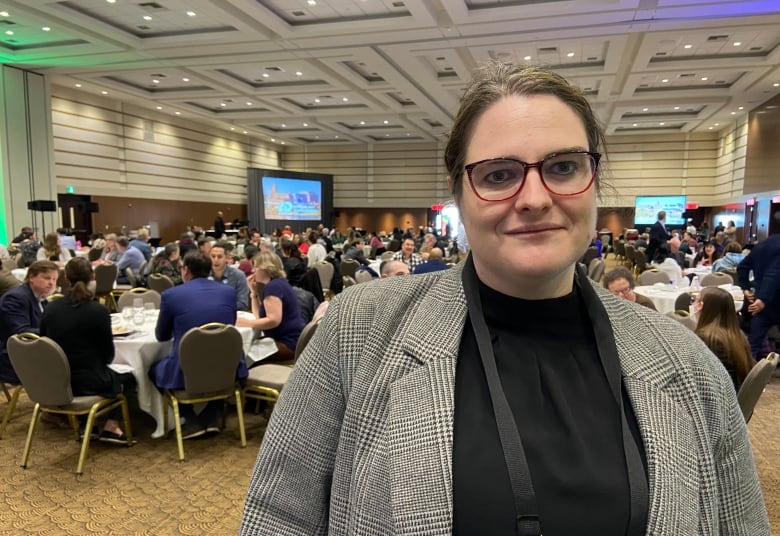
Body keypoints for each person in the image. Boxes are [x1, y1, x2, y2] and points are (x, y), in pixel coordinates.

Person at [240, 62, 768, 534]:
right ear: (459, 196)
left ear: (594, 180)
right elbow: (278, 516)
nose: (535, 198)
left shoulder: (688, 366)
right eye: (498, 175)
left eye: (563, 167)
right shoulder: (359, 331)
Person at [150, 251, 247, 439]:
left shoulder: (171, 295)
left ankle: (189, 417)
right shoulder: (228, 292)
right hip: (226, 367)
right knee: (214, 361)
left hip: (187, 370)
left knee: (152, 369)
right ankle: (212, 414)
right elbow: (230, 326)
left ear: (185, 270)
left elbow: (161, 336)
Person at [40, 257, 134, 443]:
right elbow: (108, 356)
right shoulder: (98, 311)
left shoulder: (50, 309)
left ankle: (87, 423)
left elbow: (44, 344)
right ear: (93, 277)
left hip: (58, 382)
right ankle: (111, 425)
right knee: (129, 377)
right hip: (89, 382)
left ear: (65, 278)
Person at [236, 251, 304, 364]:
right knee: (245, 348)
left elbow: (273, 320)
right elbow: (259, 317)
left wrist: (245, 323)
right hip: (293, 340)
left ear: (265, 268)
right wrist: (254, 293)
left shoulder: (274, 287)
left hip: (288, 343)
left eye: (256, 267)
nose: (253, 271)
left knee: (240, 355)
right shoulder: (278, 284)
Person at [0, 260, 59, 385]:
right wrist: (57, 331)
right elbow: (22, 333)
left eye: (54, 279)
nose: (51, 283)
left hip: (33, 348)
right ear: (31, 277)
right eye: (47, 278)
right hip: (11, 356)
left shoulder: (40, 297)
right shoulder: (16, 298)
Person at [692, 286, 754, 391]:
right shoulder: (738, 335)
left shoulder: (707, 339)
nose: (692, 304)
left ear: (700, 306)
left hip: (718, 400)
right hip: (734, 397)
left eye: (694, 301)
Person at [737, 218, 780, 359]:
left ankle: (747, 377)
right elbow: (773, 274)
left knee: (752, 346)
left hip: (761, 303)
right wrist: (763, 299)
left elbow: (742, 266)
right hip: (768, 300)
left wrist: (746, 288)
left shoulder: (762, 245)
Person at [209, 241, 250, 311]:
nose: (215, 260)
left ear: (226, 258)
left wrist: (220, 307)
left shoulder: (238, 275)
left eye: (219, 257)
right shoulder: (203, 274)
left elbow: (243, 303)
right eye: (213, 256)